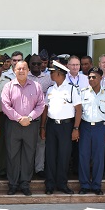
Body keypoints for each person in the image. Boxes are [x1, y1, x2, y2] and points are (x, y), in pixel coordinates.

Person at [1, 60, 44, 195]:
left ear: (28, 70)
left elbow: (41, 105)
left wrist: (29, 118)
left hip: (31, 125)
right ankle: (13, 184)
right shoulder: (8, 86)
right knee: (12, 154)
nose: (21, 71)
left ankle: (25, 183)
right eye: (18, 69)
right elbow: (5, 106)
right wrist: (19, 118)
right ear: (14, 71)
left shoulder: (36, 86)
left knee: (28, 155)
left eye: (24, 68)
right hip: (13, 125)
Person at [41, 60, 82, 195]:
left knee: (64, 156)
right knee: (50, 155)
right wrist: (43, 127)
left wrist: (76, 128)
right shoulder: (51, 89)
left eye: (52, 72)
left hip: (66, 126)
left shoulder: (72, 89)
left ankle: (62, 184)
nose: (50, 75)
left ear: (59, 73)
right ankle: (50, 184)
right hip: (52, 125)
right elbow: (45, 109)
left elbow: (78, 110)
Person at [78, 67, 105, 195]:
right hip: (85, 126)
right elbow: (78, 111)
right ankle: (84, 185)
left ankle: (96, 185)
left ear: (101, 78)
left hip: (100, 127)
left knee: (98, 157)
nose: (91, 79)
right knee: (83, 156)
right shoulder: (83, 92)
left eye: (94, 77)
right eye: (89, 77)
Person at [27, 51, 53, 178]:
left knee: (41, 142)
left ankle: (39, 168)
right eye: (34, 64)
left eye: (39, 63)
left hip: (43, 115)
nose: (37, 66)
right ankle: (28, 168)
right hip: (27, 115)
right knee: (27, 143)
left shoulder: (48, 78)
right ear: (29, 65)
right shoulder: (25, 76)